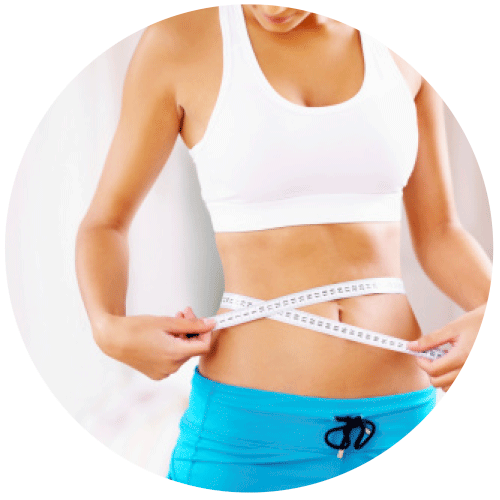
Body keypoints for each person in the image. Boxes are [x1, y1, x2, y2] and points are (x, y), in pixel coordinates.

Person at [75, 4, 492, 492]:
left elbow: (441, 232)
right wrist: (107, 327)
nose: (272, 9)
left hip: (402, 422)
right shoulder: (180, 40)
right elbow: (106, 222)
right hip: (246, 436)